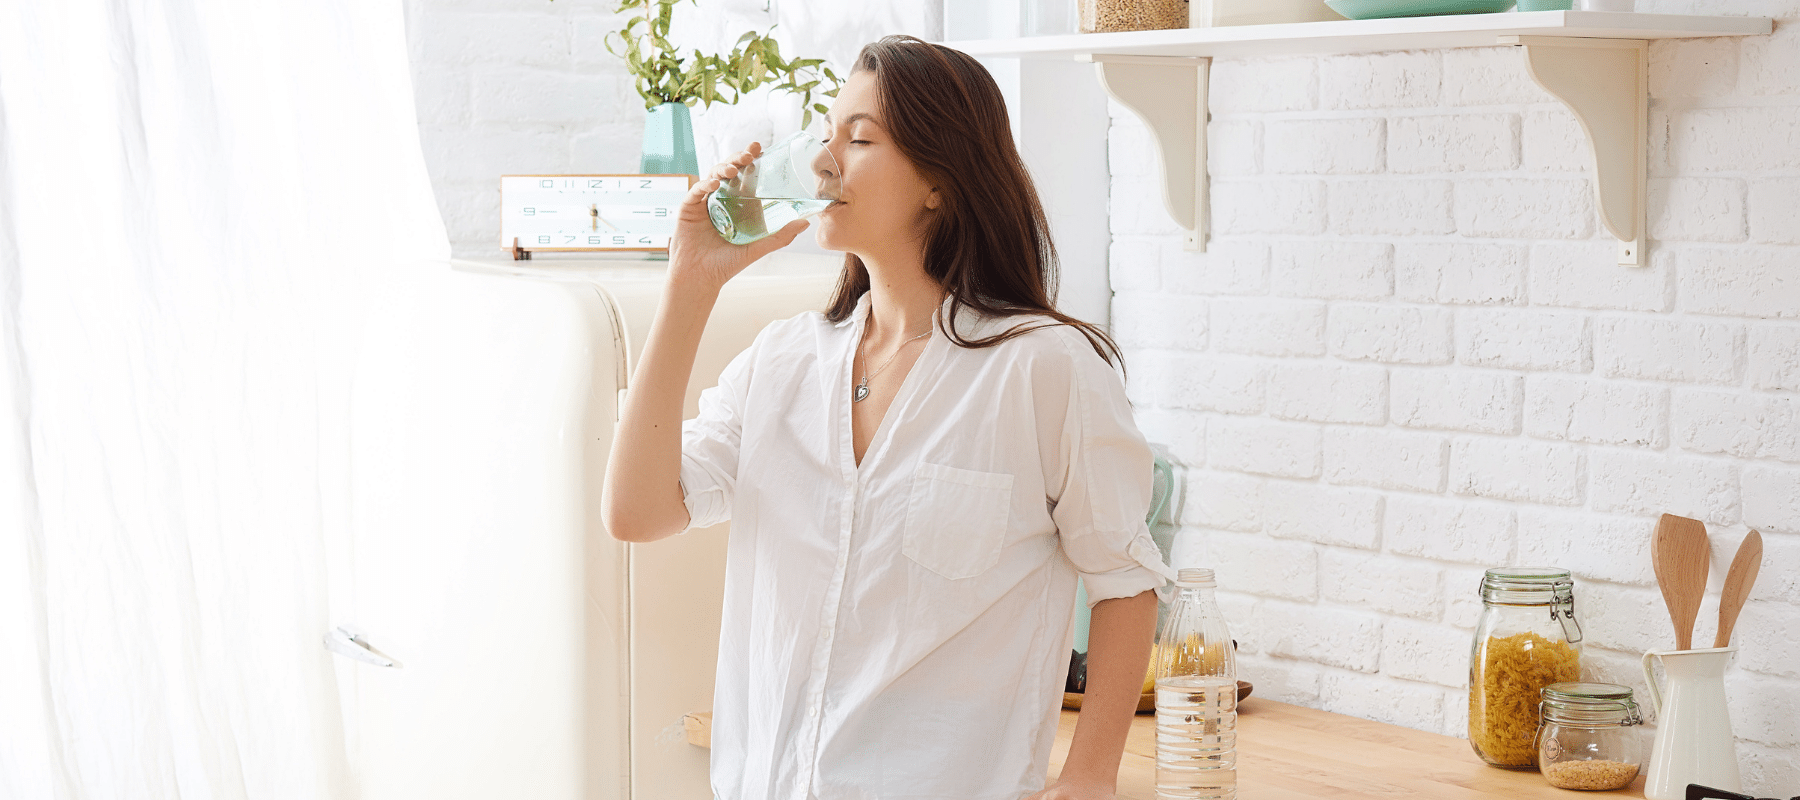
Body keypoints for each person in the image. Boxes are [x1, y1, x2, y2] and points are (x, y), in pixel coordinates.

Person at [602, 34, 1177, 800]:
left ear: (940, 180)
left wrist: (1089, 777)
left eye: (860, 138)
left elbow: (1124, 580)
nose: (823, 160)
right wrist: (690, 285)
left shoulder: (1044, 370)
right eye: (827, 132)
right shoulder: (782, 364)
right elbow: (636, 511)